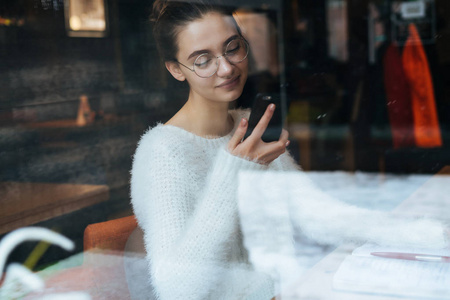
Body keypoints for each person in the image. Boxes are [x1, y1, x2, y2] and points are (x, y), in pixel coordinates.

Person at [130, 1, 449, 299]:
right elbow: (177, 287)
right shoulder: (163, 152)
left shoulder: (247, 124)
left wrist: (424, 235)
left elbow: (315, 215)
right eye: (203, 60)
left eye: (233, 48)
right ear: (175, 69)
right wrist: (233, 170)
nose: (226, 68)